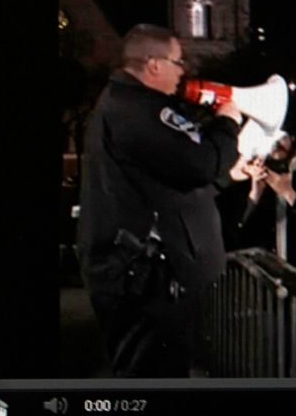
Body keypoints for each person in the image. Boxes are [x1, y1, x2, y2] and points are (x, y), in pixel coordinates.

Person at [77, 24, 243, 377]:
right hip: (143, 282)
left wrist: (229, 175)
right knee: (152, 376)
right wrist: (227, 124)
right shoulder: (138, 111)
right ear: (153, 64)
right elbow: (199, 162)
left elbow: (169, 184)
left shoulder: (124, 106)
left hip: (139, 275)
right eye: (177, 62)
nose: (182, 72)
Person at [221, 133, 296, 377]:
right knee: (278, 361)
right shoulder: (262, 174)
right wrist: (254, 194)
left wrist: (289, 194)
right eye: (271, 136)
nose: (275, 143)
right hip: (274, 289)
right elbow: (238, 237)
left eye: (282, 136)